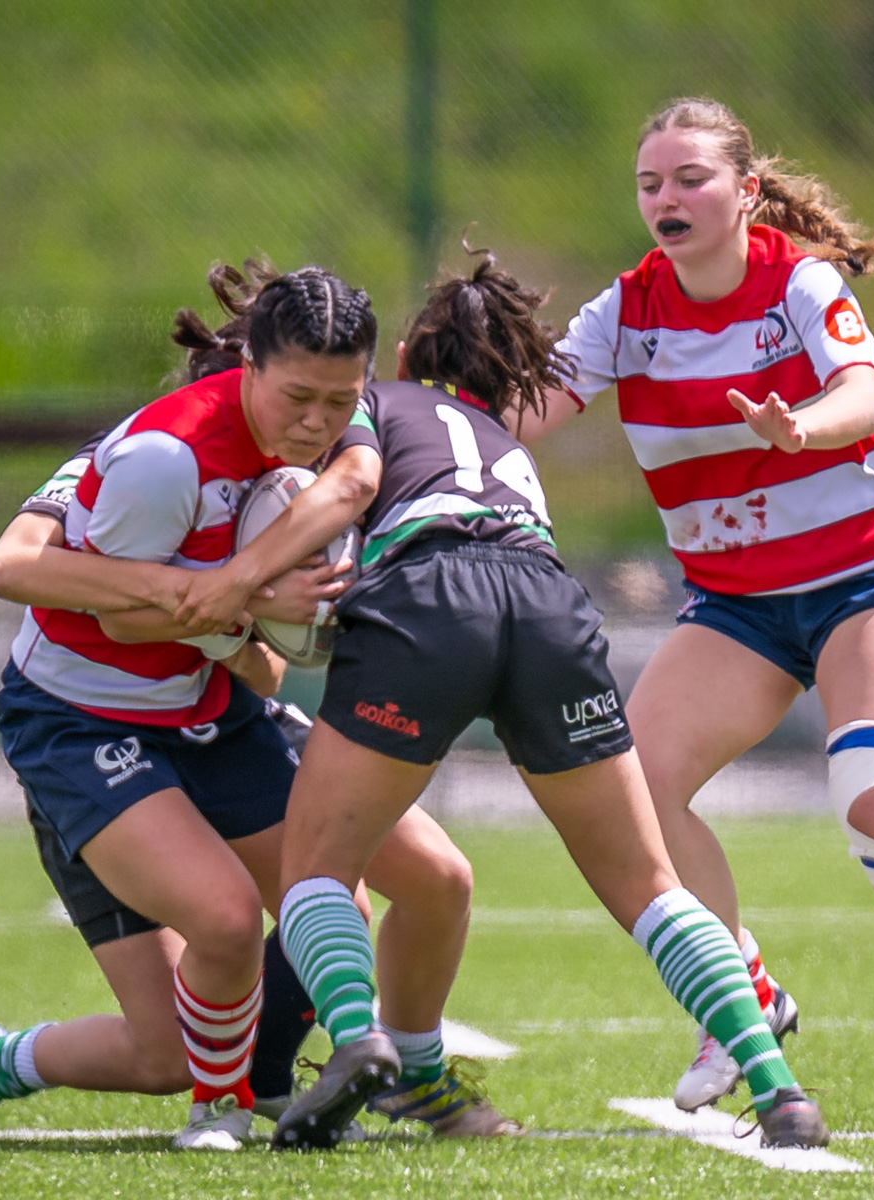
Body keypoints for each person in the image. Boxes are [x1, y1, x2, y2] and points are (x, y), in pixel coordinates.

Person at [176, 247, 830, 1151]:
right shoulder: (501, 445)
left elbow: (343, 492)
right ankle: (778, 1085)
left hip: (430, 598)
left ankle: (365, 1042)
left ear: (399, 359)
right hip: (548, 603)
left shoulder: (366, 406)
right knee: (649, 885)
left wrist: (253, 583)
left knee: (317, 869)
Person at [0, 263, 502, 1150]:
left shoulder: (327, 435)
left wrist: (260, 627)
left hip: (211, 709)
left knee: (380, 890)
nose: (319, 423)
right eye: (299, 399)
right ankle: (37, 1069)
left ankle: (308, 1077)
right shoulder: (163, 462)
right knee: (215, 951)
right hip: (86, 721)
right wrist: (254, 602)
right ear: (249, 368)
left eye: (340, 400)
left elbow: (272, 641)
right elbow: (88, 602)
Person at [515, 97, 874, 1131]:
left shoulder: (798, 284)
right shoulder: (627, 310)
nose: (666, 200)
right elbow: (525, 416)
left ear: (744, 190)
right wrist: (413, 429)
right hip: (737, 603)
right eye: (650, 184)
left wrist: (800, 429)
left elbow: (862, 401)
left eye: (690, 179)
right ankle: (746, 996)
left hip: (865, 580)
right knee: (633, 795)